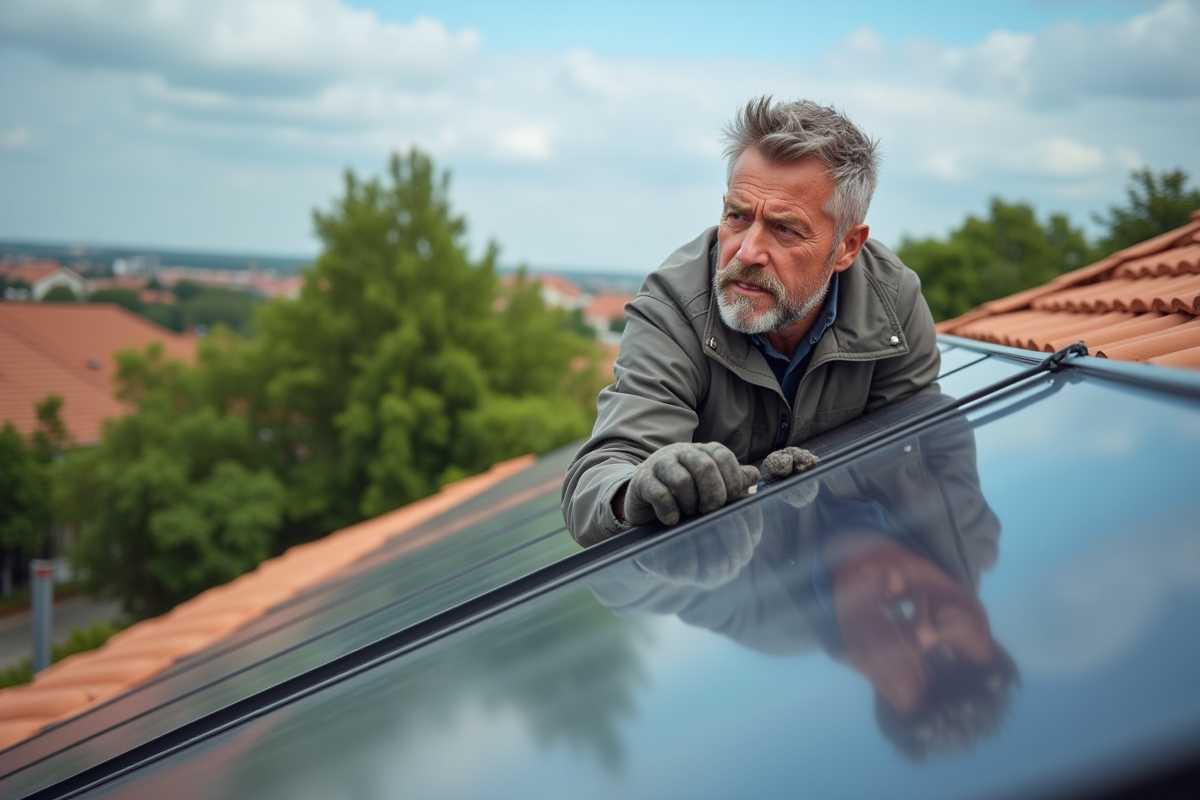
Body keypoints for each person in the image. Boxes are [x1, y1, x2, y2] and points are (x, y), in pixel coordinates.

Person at [563, 97, 941, 547]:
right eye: (738, 217)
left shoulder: (892, 301)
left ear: (847, 247)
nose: (746, 252)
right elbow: (599, 477)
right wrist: (637, 494)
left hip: (853, 565)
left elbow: (928, 465)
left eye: (785, 229)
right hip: (719, 577)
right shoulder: (672, 307)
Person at [586, 397, 1019, 760]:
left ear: (859, 665)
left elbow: (624, 588)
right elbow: (930, 410)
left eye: (922, 666)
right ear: (981, 619)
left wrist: (640, 501)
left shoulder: (769, 623)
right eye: (952, 653)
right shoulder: (972, 531)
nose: (924, 632)